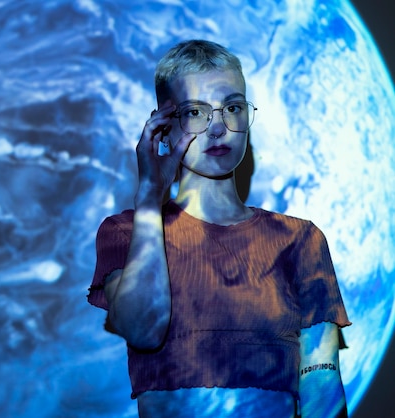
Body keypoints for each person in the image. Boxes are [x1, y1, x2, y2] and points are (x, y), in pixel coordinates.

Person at [87, 40, 351, 418]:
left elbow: (321, 386)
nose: (217, 128)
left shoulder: (300, 239)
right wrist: (149, 197)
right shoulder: (125, 232)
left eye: (232, 107)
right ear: (162, 126)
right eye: (195, 112)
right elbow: (144, 330)